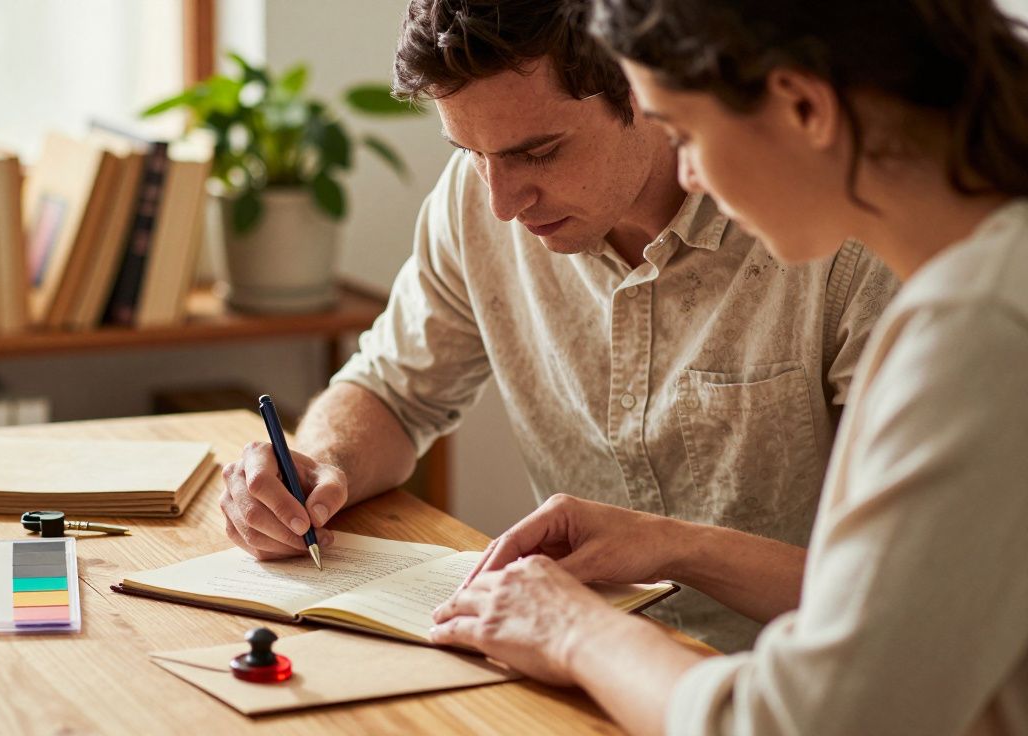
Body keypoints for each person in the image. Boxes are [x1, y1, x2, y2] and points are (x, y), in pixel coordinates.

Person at [219, 0, 899, 653]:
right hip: (570, 668)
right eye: (469, 152)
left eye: (537, 153)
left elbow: (903, 586)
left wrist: (675, 547)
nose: (501, 201)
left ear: (647, 89)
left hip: (788, 684)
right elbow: (394, 390)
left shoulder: (845, 241)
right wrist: (320, 467)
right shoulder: (475, 201)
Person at [429, 0, 1028, 733]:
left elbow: (799, 725)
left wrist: (571, 630)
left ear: (804, 106)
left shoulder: (977, 328)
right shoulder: (979, 280)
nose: (688, 175)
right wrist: (674, 544)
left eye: (683, 133)